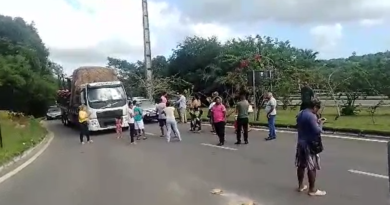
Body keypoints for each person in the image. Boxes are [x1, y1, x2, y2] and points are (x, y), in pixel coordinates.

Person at [296, 99, 326, 196]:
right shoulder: (311, 116)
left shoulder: (300, 113)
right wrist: (320, 124)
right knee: (311, 167)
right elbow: (317, 131)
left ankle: (300, 186)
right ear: (315, 107)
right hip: (309, 144)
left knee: (301, 165)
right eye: (317, 109)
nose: (317, 111)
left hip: (300, 142)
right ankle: (312, 190)